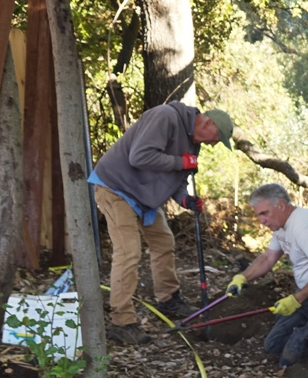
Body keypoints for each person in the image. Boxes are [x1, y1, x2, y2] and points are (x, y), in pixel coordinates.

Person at [90, 101, 234, 345]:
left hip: (143, 197)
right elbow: (140, 156)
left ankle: (168, 299)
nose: (212, 144)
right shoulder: (165, 117)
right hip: (116, 188)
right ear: (208, 123)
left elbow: (177, 180)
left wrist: (185, 200)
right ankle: (121, 321)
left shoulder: (193, 143)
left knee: (163, 241)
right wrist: (181, 162)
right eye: (216, 138)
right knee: (129, 252)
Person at [227, 183, 308, 358]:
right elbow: (268, 257)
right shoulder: (281, 226)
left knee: (275, 345)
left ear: (281, 205)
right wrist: (242, 277)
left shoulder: (304, 227)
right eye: (258, 215)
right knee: (281, 323)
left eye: (264, 213)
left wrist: (295, 300)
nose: (262, 220)